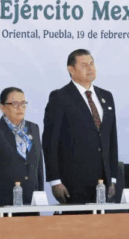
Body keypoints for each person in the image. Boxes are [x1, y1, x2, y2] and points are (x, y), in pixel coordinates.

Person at [43, 49, 118, 204]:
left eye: (92, 64)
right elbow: (50, 142)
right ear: (71, 70)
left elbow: (111, 139)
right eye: (84, 65)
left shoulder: (106, 96)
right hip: (74, 182)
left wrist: (113, 177)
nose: (90, 68)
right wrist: (55, 181)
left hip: (104, 180)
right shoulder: (60, 97)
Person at [0, 87, 44, 207]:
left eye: (23, 104)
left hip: (31, 203)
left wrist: (40, 197)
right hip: (3, 205)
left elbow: (38, 167)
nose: (20, 108)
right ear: (2, 107)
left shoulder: (34, 128)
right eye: (15, 104)